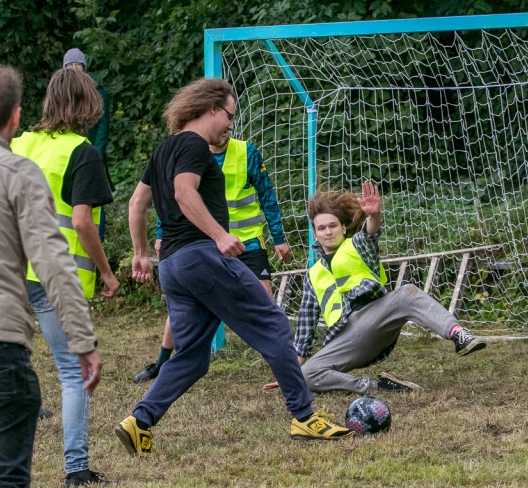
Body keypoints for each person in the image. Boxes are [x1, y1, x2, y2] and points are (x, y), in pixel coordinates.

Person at [116, 77, 353, 457]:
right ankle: (304, 416)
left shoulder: (163, 150)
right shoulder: (194, 144)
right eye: (229, 116)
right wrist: (218, 235)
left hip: (173, 267)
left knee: (192, 356)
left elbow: (136, 203)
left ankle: (139, 421)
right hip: (200, 255)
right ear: (210, 109)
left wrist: (141, 252)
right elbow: (183, 191)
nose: (230, 125)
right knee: (273, 323)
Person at [0, 64, 103, 487]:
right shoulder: (20, 172)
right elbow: (54, 261)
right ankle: (75, 468)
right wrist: (84, 341)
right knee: (7, 475)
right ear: (14, 116)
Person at [267, 181, 486, 395]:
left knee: (406, 293)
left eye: (332, 226)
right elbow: (305, 330)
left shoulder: (357, 245)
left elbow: (370, 234)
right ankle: (377, 387)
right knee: (305, 375)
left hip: (376, 318)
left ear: (343, 227)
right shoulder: (312, 276)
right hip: (345, 339)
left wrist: (374, 216)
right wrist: (291, 374)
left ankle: (459, 335)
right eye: (321, 228)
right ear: (315, 234)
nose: (328, 232)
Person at [11, 68, 118, 487]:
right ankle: (76, 469)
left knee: (2, 368)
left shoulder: (20, 143)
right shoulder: (82, 151)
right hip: (57, 276)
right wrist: (107, 272)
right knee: (72, 374)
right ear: (87, 105)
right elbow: (83, 223)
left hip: (11, 270)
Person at [133, 134, 292, 383]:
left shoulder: (246, 152)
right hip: (203, 242)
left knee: (266, 305)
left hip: (247, 241)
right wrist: (161, 232)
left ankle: (285, 364)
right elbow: (173, 197)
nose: (227, 125)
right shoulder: (189, 151)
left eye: (231, 118)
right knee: (184, 306)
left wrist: (279, 237)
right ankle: (162, 362)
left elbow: (267, 195)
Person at [63, 47, 112, 240]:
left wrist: (96, 154)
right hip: (69, 151)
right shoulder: (63, 92)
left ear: (84, 67)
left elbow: (103, 126)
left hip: (90, 150)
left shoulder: (98, 91)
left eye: (78, 65)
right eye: (70, 65)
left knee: (95, 195)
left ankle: (97, 236)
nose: (75, 69)